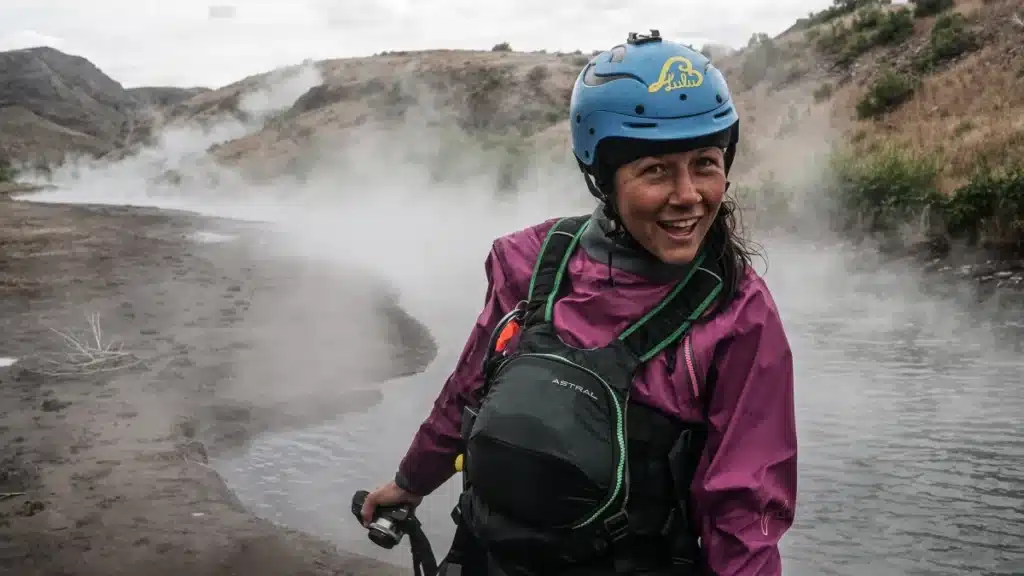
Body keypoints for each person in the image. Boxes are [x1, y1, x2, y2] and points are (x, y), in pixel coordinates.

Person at [360, 30, 797, 576]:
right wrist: (409, 483)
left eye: (705, 163)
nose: (688, 195)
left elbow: (745, 508)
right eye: (655, 170)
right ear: (603, 178)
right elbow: (469, 390)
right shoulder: (530, 262)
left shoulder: (738, 313)